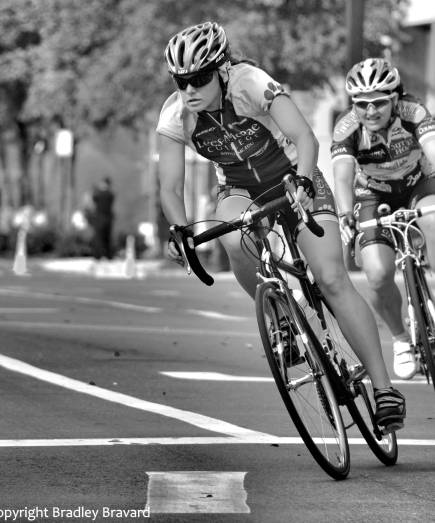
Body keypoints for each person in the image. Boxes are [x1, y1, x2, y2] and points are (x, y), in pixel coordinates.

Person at [156, 22, 405, 432]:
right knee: (233, 236)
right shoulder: (175, 114)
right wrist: (179, 229)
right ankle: (283, 320)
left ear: (221, 69)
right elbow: (169, 185)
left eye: (199, 79)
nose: (189, 91)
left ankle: (384, 390)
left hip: (294, 176)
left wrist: (305, 182)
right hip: (240, 188)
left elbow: (305, 138)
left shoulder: (251, 83)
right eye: (180, 82)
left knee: (331, 278)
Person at [332, 57, 435, 381]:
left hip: (419, 182)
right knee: (376, 274)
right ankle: (402, 340)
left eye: (379, 103)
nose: (370, 111)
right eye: (362, 104)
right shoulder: (347, 127)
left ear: (394, 99)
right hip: (373, 195)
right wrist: (346, 214)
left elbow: (433, 147)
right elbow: (342, 175)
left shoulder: (413, 111)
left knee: (433, 221)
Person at [91, 177, 115, 260]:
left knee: (99, 238)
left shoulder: (101, 194)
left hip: (100, 218)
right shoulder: (110, 194)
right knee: (106, 238)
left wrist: (96, 189)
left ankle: (99, 255)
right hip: (108, 218)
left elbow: (94, 198)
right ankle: (107, 255)